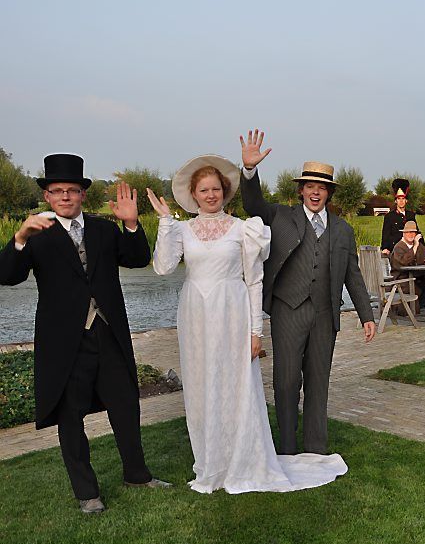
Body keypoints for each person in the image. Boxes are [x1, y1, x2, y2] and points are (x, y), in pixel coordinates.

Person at [149, 154, 350, 493]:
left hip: (233, 313)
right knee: (200, 387)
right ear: (194, 194)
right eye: (204, 190)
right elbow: (164, 266)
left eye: (216, 189)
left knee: (235, 386)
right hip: (195, 316)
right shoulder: (182, 230)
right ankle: (210, 461)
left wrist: (256, 331)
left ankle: (243, 456)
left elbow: (254, 281)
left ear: (225, 192)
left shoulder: (245, 229)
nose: (210, 195)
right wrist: (166, 221)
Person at [0, 154, 168, 513]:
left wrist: (133, 224)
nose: (65, 196)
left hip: (108, 333)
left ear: (82, 195)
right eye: (57, 191)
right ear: (47, 196)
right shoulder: (36, 234)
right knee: (70, 417)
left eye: (72, 190)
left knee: (125, 406)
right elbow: (8, 277)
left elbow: (138, 259)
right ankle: (87, 493)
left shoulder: (103, 229)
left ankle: (137, 475)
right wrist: (18, 238)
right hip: (64, 341)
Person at [239, 130, 376, 456]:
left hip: (325, 315)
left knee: (318, 383)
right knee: (286, 383)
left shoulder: (342, 229)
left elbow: (352, 274)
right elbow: (252, 203)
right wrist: (248, 171)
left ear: (329, 193)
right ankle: (286, 448)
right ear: (301, 190)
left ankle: (316, 449)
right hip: (288, 310)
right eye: (311, 186)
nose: (316, 192)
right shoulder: (279, 216)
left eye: (322, 188)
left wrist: (366, 314)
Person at [389, 220, 425, 308]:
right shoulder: (399, 247)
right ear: (404, 234)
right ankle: (412, 311)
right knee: (417, 289)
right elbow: (404, 262)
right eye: (408, 232)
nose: (411, 235)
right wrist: (415, 246)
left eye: (413, 232)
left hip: (417, 277)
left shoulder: (419, 246)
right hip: (402, 280)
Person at [380, 178, 418, 256]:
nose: (401, 201)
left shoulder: (411, 215)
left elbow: (416, 232)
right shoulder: (389, 216)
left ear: (406, 200)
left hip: (410, 249)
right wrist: (385, 248)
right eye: (399, 199)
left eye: (403, 199)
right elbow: (385, 235)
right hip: (395, 250)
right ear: (395, 201)